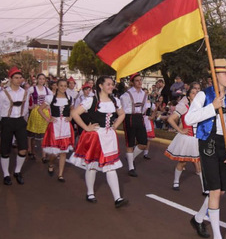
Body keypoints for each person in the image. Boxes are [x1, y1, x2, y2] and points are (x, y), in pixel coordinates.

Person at [185, 58, 226, 239]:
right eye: (224, 73)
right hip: (207, 142)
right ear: (215, 75)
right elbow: (189, 119)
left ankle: (199, 218)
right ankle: (218, 236)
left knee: (220, 191)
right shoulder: (204, 95)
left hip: (224, 145)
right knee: (215, 190)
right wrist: (212, 107)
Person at [70, 76, 128, 208]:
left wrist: (115, 125)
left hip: (109, 136)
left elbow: (122, 114)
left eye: (112, 84)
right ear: (100, 86)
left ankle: (118, 198)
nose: (111, 86)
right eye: (108, 84)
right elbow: (74, 113)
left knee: (111, 166)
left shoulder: (115, 100)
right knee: (92, 165)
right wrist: (86, 128)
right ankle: (90, 193)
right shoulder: (92, 100)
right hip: (95, 136)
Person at [164, 87, 205, 193]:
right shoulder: (185, 108)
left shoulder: (202, 108)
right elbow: (170, 119)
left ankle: (205, 188)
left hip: (198, 138)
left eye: (197, 93)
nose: (195, 94)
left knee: (200, 163)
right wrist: (180, 130)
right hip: (187, 138)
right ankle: (176, 181)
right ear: (188, 96)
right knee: (183, 162)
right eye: (193, 93)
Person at [39, 79, 75, 182]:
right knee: (54, 153)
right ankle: (51, 163)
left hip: (66, 126)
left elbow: (73, 110)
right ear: (57, 86)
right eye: (61, 85)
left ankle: (60, 174)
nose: (63, 88)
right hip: (54, 127)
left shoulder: (70, 98)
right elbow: (40, 109)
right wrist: (47, 119)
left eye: (65, 86)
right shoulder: (50, 98)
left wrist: (70, 117)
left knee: (63, 152)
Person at [0, 67, 30, 185]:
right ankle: (6, 174)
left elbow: (26, 108)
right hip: (7, 121)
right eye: (16, 78)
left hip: (20, 121)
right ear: (10, 79)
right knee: (5, 150)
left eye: (20, 78)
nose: (19, 80)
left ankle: (17, 171)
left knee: (23, 149)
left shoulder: (25, 93)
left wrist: (24, 120)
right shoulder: (3, 94)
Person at [119, 73, 151, 177]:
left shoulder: (144, 94)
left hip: (139, 118)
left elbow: (146, 107)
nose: (140, 82)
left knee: (143, 143)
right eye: (137, 80)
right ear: (132, 82)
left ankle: (130, 158)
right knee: (130, 143)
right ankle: (131, 167)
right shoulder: (126, 95)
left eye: (140, 80)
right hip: (129, 118)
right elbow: (122, 109)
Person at [26, 73, 51, 161]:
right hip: (35, 112)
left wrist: (49, 106)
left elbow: (52, 99)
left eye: (43, 79)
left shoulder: (47, 90)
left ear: (45, 80)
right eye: (40, 79)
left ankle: (44, 155)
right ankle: (30, 150)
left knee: (43, 134)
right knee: (32, 133)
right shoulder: (32, 89)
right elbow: (25, 99)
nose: (41, 80)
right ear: (37, 79)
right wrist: (29, 107)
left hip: (44, 112)